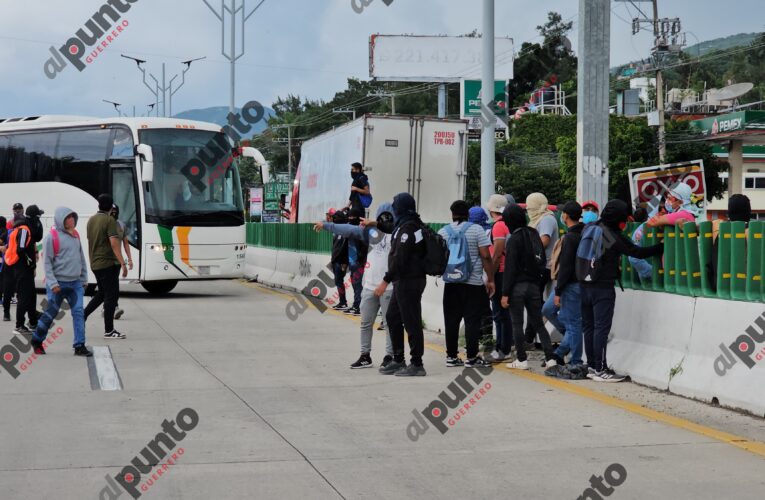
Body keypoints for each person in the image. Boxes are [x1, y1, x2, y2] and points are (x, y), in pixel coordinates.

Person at [580, 199, 664, 382]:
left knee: (589, 327)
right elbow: (637, 252)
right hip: (602, 287)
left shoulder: (590, 227)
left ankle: (592, 366)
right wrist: (661, 246)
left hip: (584, 284)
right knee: (601, 328)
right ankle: (601, 370)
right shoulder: (612, 235)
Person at [315, 203, 396, 369]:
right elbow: (349, 229)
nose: (384, 219)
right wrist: (327, 225)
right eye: (382, 216)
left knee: (389, 324)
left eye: (387, 216)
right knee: (366, 323)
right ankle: (365, 355)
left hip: (389, 286)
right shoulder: (372, 233)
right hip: (369, 286)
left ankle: (390, 356)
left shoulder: (397, 233)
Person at [438, 201, 495, 368]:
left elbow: (440, 257)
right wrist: (490, 279)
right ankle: (471, 357)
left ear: (452, 213)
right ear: (468, 214)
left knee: (451, 320)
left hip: (451, 283)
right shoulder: (476, 230)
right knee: (472, 320)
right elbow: (486, 256)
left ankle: (451, 356)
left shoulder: (443, 232)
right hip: (473, 283)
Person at [501, 204, 556, 369]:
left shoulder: (513, 239)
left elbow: (510, 268)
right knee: (538, 322)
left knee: (517, 323)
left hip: (517, 286)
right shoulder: (533, 233)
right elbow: (540, 259)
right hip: (534, 284)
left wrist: (505, 293)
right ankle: (550, 358)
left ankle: (521, 359)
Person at [31, 207, 92, 356]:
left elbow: (81, 259)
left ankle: (79, 345)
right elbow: (47, 263)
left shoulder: (76, 235)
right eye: (68, 217)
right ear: (61, 220)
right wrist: (53, 283)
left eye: (73, 217)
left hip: (75, 284)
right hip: (58, 284)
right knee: (50, 314)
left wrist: (84, 279)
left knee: (79, 312)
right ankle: (37, 339)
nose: (72, 220)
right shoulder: (51, 237)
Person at [378, 193, 428, 377]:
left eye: (395, 205)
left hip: (410, 280)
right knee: (393, 317)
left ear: (401, 207)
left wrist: (385, 280)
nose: (393, 208)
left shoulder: (409, 228)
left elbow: (400, 258)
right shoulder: (406, 225)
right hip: (404, 281)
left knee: (411, 321)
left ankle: (417, 363)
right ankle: (399, 359)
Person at [84, 194, 128, 339]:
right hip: (108, 263)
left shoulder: (91, 220)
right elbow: (114, 244)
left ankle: (83, 315)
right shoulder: (109, 221)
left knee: (102, 293)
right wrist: (123, 263)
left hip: (95, 263)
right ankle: (109, 330)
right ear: (110, 207)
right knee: (111, 296)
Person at [548, 201, 585, 368]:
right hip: (583, 283)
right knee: (573, 323)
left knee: (574, 325)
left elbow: (566, 267)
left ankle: (572, 358)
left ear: (566, 216)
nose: (562, 215)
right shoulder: (585, 232)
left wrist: (558, 291)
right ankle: (563, 355)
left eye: (563, 213)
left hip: (571, 285)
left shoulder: (570, 237)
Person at [525, 192, 558, 344]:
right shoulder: (538, 219)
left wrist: (525, 248)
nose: (529, 210)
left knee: (533, 301)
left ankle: (528, 338)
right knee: (533, 300)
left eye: (531, 207)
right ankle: (529, 337)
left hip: (545, 266)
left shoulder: (547, 219)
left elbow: (544, 240)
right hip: (537, 265)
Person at [485, 194, 513, 362]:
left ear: (492, 209)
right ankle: (503, 347)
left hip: (500, 273)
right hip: (508, 272)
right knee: (503, 312)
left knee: (500, 313)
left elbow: (496, 255)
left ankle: (503, 349)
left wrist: (491, 277)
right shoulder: (509, 224)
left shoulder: (498, 227)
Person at [709, 194, 751, 291]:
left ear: (729, 212)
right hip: (749, 287)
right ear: (749, 211)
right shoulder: (756, 232)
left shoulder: (717, 226)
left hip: (718, 285)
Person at [468, 206, 496, 352]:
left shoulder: (468, 231)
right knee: (486, 309)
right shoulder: (489, 231)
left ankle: (475, 338)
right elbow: (488, 256)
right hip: (486, 274)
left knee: (472, 310)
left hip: (470, 276)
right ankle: (487, 340)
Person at [107, 204, 132, 320]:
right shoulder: (105, 223)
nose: (114, 213)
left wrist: (129, 259)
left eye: (115, 210)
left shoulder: (121, 225)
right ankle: (112, 308)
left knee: (114, 286)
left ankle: (110, 307)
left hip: (117, 261)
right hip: (106, 260)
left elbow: (126, 243)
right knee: (109, 286)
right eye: (112, 210)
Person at [343, 208, 368, 316]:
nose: (350, 218)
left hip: (358, 262)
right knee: (354, 285)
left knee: (358, 285)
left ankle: (358, 307)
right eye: (349, 216)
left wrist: (362, 261)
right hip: (351, 262)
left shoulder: (360, 230)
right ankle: (355, 305)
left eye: (352, 217)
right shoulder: (349, 230)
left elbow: (365, 246)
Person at [329, 209, 350, 311]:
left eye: (335, 218)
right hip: (335, 260)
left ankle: (343, 302)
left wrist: (344, 262)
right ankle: (342, 302)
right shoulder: (336, 231)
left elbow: (345, 248)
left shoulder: (344, 231)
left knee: (339, 281)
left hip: (340, 261)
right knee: (338, 281)